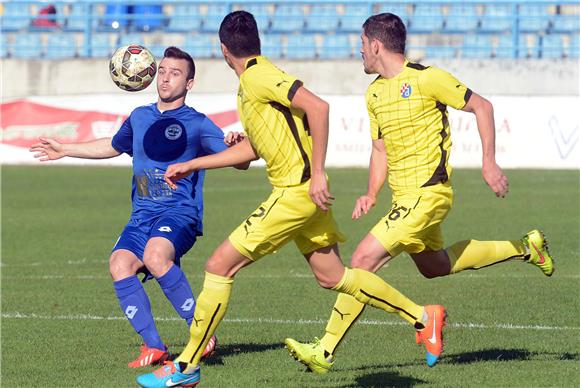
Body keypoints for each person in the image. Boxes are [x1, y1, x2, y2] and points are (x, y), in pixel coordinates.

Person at [136, 11, 447, 388]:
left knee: (219, 267)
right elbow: (253, 149)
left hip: (296, 193)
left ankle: (186, 366)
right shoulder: (252, 82)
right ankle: (422, 315)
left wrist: (317, 173)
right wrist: (194, 163)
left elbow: (318, 107)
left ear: (222, 50)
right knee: (333, 276)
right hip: (304, 197)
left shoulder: (258, 76)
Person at [284, 12, 555, 374]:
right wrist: (371, 192)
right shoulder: (375, 91)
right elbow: (380, 149)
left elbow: (482, 106)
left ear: (376, 45)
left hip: (428, 194)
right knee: (435, 266)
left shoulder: (429, 79)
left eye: (362, 44)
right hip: (404, 200)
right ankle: (526, 248)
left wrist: (488, 162)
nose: (359, 51)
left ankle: (328, 349)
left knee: (363, 261)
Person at [29, 46, 246, 368]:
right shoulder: (140, 116)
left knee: (155, 257)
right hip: (142, 214)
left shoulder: (198, 123)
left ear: (189, 83)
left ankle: (202, 335)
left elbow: (241, 162)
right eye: (163, 71)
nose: (166, 78)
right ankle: (154, 347)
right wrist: (66, 149)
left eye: (176, 73)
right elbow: (114, 146)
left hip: (179, 212)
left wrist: (236, 144)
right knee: (119, 264)